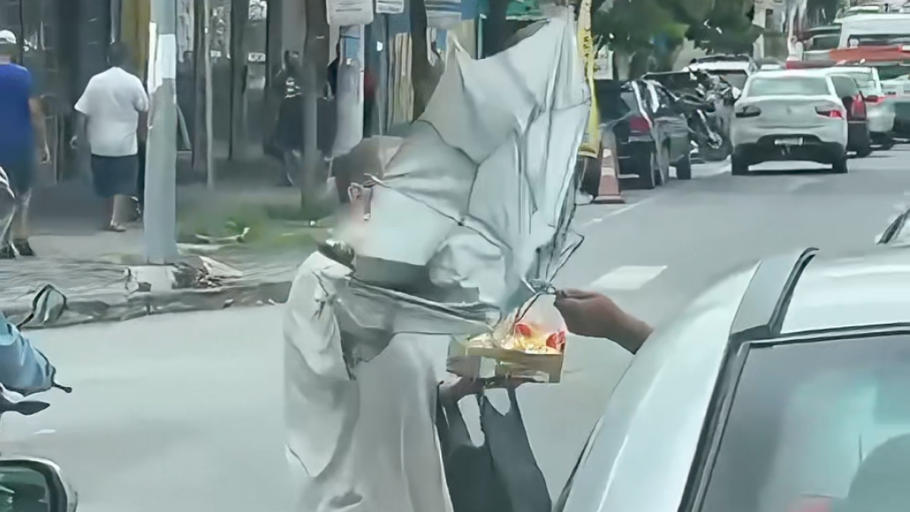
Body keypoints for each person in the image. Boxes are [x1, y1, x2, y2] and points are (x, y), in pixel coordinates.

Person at [73, 42, 149, 232]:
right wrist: (142, 134)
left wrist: (78, 135)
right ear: (127, 60)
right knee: (124, 184)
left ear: (108, 59)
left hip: (99, 143)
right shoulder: (133, 82)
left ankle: (107, 219)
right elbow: (144, 109)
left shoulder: (96, 81)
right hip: (125, 144)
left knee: (105, 184)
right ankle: (117, 220)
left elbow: (82, 111)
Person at [0, 29, 49, 259]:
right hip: (20, 144)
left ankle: (3, 242)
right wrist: (43, 143)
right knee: (22, 194)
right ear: (12, 50)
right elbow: (35, 112)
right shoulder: (23, 75)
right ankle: (21, 238)